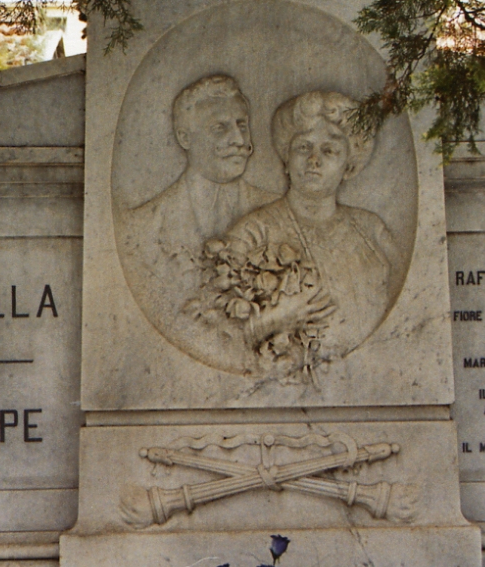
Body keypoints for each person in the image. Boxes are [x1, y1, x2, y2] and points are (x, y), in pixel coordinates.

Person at [221, 90, 399, 365]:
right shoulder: (252, 233)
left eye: (329, 150)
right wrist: (275, 320)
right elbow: (219, 335)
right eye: (304, 147)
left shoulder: (371, 231)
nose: (314, 159)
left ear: (349, 166)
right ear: (286, 158)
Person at [123, 75, 277, 284]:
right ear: (185, 138)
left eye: (242, 126)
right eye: (220, 128)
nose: (239, 140)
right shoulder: (144, 225)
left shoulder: (276, 212)